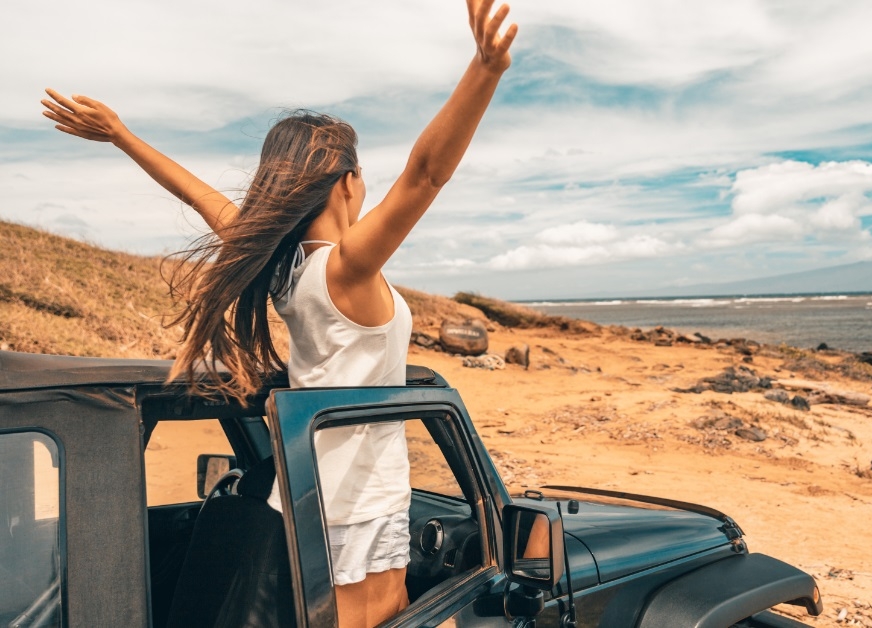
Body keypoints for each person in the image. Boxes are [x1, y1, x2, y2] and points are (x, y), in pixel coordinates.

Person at [40, 1, 517, 625]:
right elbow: (426, 175)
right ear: (348, 181)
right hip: (356, 500)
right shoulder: (345, 268)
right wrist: (484, 71)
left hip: (303, 486)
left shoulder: (283, 266)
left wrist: (123, 135)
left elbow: (198, 193)